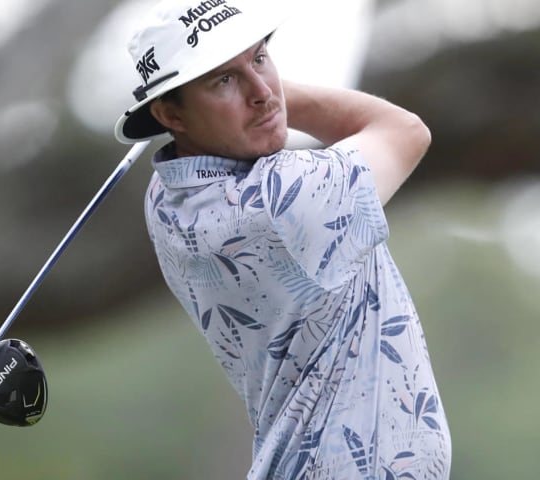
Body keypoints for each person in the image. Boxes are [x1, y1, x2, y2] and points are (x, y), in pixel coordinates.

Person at [114, 0, 451, 478]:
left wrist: (244, 91)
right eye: (222, 80)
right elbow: (405, 131)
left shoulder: (167, 202)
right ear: (171, 115)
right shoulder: (285, 200)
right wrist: (277, 96)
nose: (260, 91)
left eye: (259, 58)